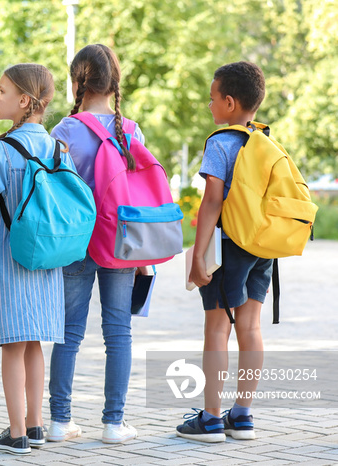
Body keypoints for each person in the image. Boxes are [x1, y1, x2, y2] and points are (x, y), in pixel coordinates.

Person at [0, 63, 72, 455]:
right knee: (35, 344)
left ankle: (15, 433)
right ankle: (36, 425)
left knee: (13, 344)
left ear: (24, 101)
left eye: (2, 90)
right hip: (50, 259)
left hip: (12, 260)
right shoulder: (58, 148)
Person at [48, 44, 143, 444]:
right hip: (119, 244)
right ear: (115, 82)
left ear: (76, 82)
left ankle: (59, 420)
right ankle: (113, 423)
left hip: (75, 244)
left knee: (69, 333)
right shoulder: (131, 130)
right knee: (118, 332)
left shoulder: (63, 131)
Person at [177, 61, 270, 443]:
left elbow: (212, 200)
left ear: (229, 102)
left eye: (212, 98)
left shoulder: (220, 143)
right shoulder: (266, 141)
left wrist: (198, 256)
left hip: (227, 249)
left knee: (217, 329)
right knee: (250, 328)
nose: (209, 105)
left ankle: (212, 419)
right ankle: (242, 415)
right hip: (261, 247)